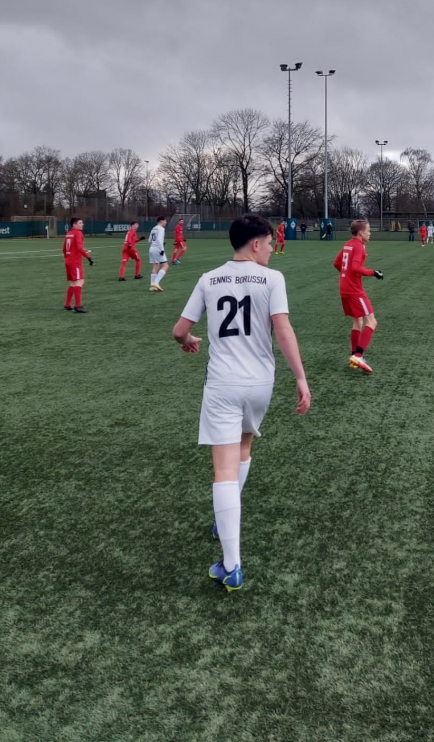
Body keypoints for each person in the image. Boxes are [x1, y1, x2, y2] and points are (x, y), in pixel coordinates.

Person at [172, 214, 311, 591]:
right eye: (269, 242)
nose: (271, 248)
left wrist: (187, 341)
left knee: (223, 470)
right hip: (261, 383)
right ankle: (225, 520)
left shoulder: (209, 279)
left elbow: (180, 330)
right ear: (255, 243)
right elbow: (283, 329)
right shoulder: (272, 278)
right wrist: (300, 378)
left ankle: (231, 565)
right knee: (244, 448)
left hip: (223, 383)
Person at [333, 218, 383, 374]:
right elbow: (355, 267)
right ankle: (359, 356)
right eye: (368, 231)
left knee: (358, 321)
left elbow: (337, 263)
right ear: (361, 233)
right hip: (354, 290)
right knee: (372, 321)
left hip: (344, 288)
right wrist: (373, 272)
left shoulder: (348, 244)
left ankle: (354, 357)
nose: (370, 234)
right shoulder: (359, 246)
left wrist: (346, 276)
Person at [62, 217, 93, 313]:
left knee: (73, 283)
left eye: (82, 223)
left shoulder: (69, 233)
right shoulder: (78, 233)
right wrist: (89, 257)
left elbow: (64, 249)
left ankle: (67, 304)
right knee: (80, 281)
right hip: (75, 262)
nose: (82, 224)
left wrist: (67, 258)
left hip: (68, 261)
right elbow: (79, 248)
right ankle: (78, 306)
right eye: (80, 223)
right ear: (74, 224)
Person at [148, 217, 169, 291]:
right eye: (165, 221)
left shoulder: (153, 228)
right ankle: (156, 283)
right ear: (161, 221)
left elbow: (149, 240)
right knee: (165, 266)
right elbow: (159, 239)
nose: (166, 222)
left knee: (155, 266)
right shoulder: (161, 229)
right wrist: (162, 249)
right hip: (158, 249)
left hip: (151, 248)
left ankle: (152, 286)